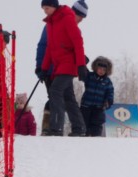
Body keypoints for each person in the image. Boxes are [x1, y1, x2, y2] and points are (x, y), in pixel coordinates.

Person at [38, 0, 88, 137]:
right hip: (58, 65)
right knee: (68, 97)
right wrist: (43, 68)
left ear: (54, 6)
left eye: (47, 8)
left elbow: (78, 42)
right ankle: (79, 128)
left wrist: (81, 65)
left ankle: (56, 127)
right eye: (44, 9)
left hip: (68, 63)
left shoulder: (67, 18)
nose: (45, 11)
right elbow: (49, 48)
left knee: (55, 90)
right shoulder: (50, 23)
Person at [80, 56, 114, 137]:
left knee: (97, 125)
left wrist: (109, 101)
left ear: (107, 71)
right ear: (95, 68)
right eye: (100, 68)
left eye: (104, 70)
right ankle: (83, 137)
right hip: (86, 106)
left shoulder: (107, 81)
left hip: (98, 108)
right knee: (84, 124)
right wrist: (82, 63)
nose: (101, 71)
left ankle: (96, 139)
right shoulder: (89, 76)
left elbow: (110, 92)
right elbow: (83, 72)